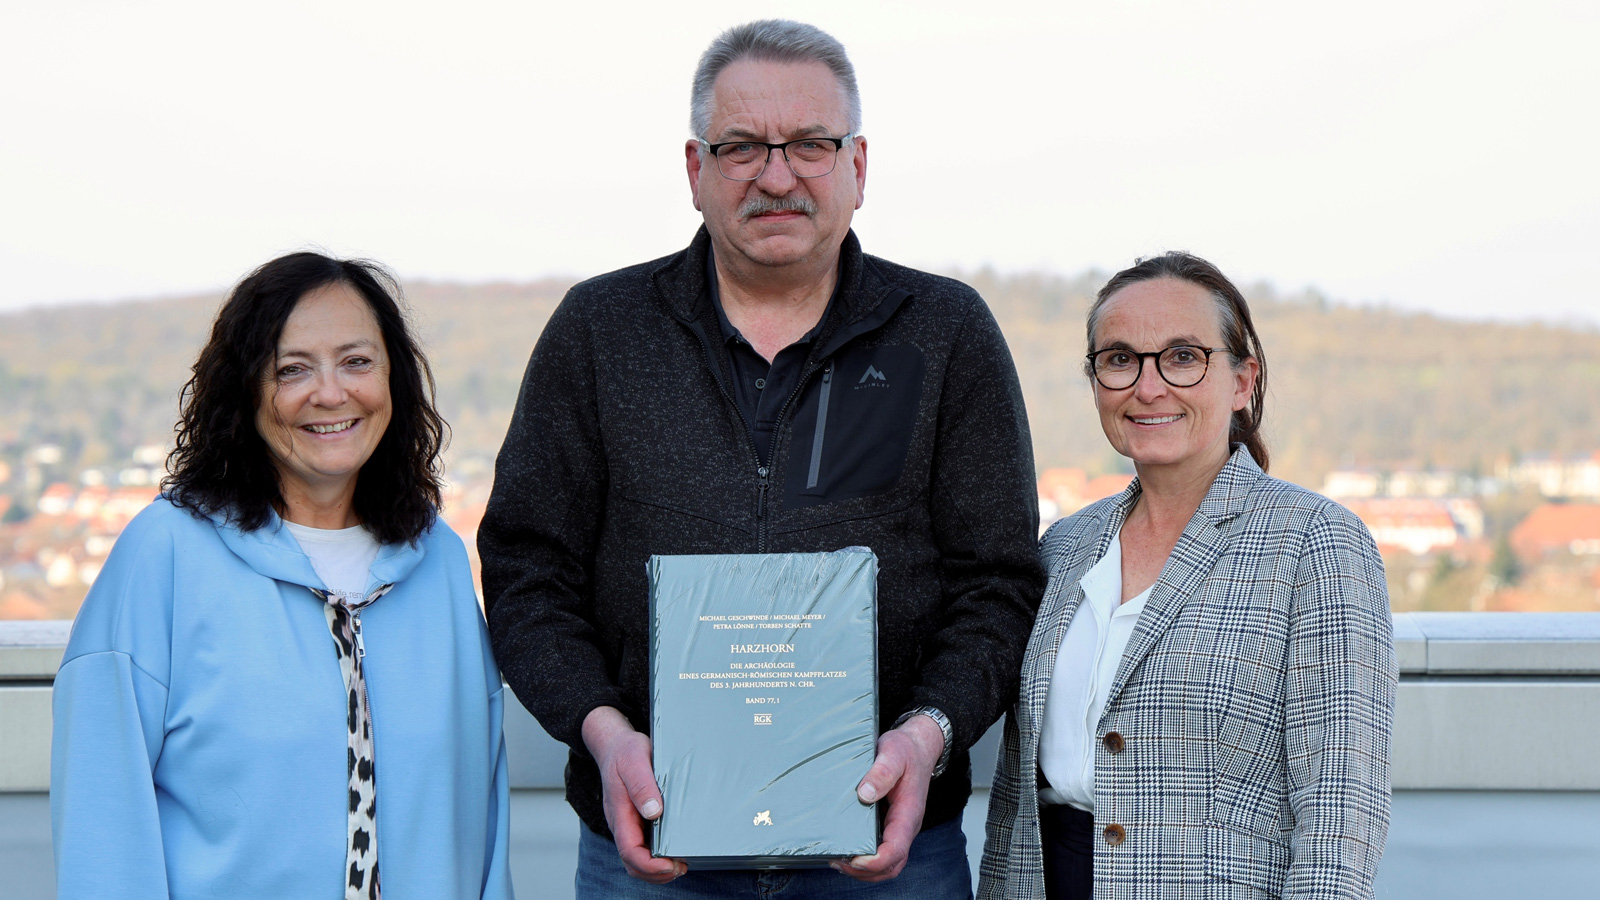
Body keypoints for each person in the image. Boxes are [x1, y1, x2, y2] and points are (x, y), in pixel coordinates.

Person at [478, 18, 1045, 899]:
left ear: (858, 167)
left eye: (810, 144)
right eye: (741, 145)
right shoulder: (599, 332)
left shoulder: (945, 333)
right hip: (650, 844)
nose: (776, 175)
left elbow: (998, 584)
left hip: (888, 852)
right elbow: (526, 569)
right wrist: (601, 731)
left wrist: (928, 736)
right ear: (695, 169)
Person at [51, 252, 513, 900]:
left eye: (356, 361)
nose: (331, 393)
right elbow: (104, 826)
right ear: (244, 390)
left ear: (394, 378)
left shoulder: (434, 556)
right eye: (291, 369)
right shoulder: (164, 557)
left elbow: (480, 814)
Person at [978, 252, 1397, 900]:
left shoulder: (1316, 544)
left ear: (1241, 379)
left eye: (1182, 357)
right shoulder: (1064, 546)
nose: (1148, 387)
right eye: (1120, 360)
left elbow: (1341, 815)